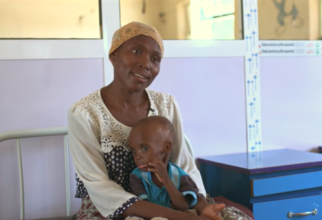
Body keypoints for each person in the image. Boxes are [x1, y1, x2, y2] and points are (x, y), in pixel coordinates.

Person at [68, 21, 253, 220]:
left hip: (170, 199)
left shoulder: (167, 105)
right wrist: (181, 217)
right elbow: (99, 186)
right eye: (136, 51)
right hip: (110, 208)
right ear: (113, 55)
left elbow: (185, 165)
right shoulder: (84, 113)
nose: (146, 64)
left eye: (155, 59)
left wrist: (201, 207)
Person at [128, 116, 224, 219]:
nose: (137, 156)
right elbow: (144, 208)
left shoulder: (180, 175)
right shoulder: (136, 176)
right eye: (134, 151)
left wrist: (165, 179)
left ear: (166, 147)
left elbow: (183, 206)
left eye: (145, 148)